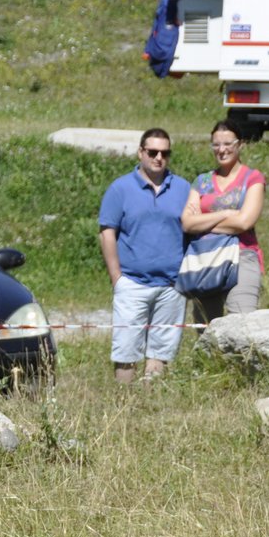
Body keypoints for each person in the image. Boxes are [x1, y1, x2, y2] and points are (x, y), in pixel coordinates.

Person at [98, 128, 190, 383]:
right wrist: (117, 277)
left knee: (160, 352)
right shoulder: (120, 189)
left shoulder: (182, 188)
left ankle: (149, 403)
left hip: (171, 286)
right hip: (132, 282)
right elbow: (107, 233)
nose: (159, 157)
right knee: (126, 350)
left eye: (165, 153)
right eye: (152, 152)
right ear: (141, 152)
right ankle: (124, 405)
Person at [181, 120, 266, 321]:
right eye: (216, 144)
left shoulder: (253, 178)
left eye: (228, 144)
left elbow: (244, 223)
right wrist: (226, 213)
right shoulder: (201, 181)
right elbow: (187, 223)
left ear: (240, 145)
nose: (222, 150)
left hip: (242, 255)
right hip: (206, 258)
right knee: (206, 329)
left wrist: (202, 221)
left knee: (243, 324)